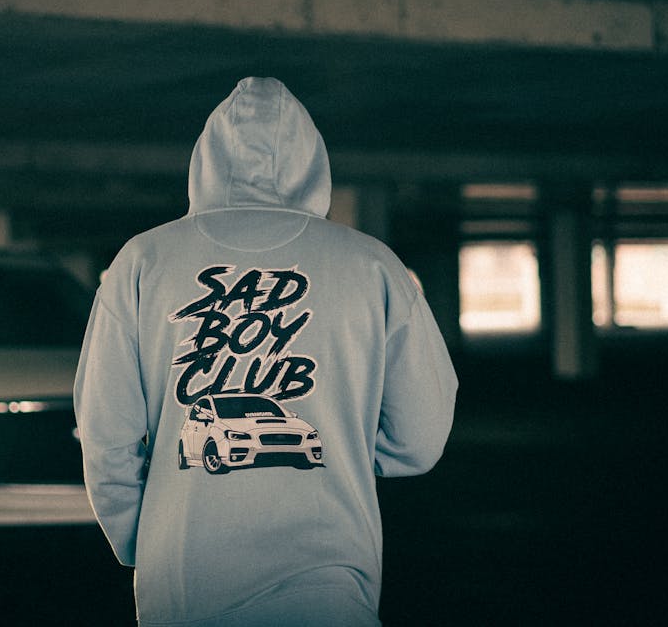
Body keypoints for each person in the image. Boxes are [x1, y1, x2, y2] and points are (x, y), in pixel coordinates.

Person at [74, 76, 458, 627]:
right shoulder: (373, 265)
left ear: (205, 158)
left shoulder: (142, 260)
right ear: (312, 161)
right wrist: (347, 450)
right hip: (330, 586)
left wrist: (144, 541)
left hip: (182, 585)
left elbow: (106, 433)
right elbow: (420, 439)